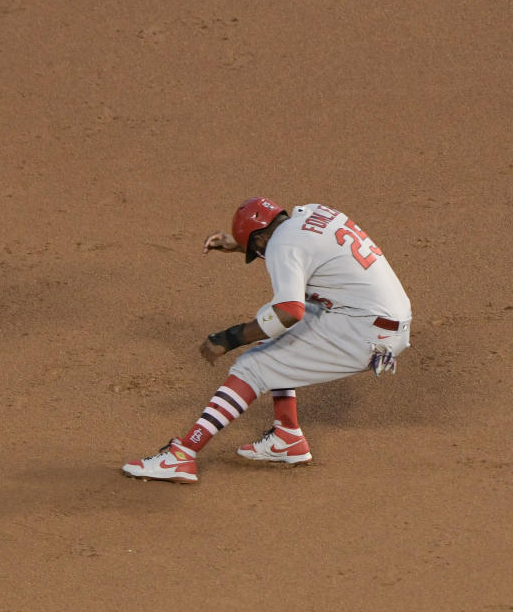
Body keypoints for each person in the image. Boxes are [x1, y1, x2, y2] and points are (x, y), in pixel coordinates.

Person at [122, 197, 411, 483]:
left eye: (255, 249)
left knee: (252, 365)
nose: (258, 254)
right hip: (372, 317)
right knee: (274, 340)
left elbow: (288, 312)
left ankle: (182, 456)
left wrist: (229, 337)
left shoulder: (282, 245)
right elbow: (297, 248)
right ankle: (287, 437)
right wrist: (240, 243)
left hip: (364, 332)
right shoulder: (310, 214)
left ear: (261, 238)